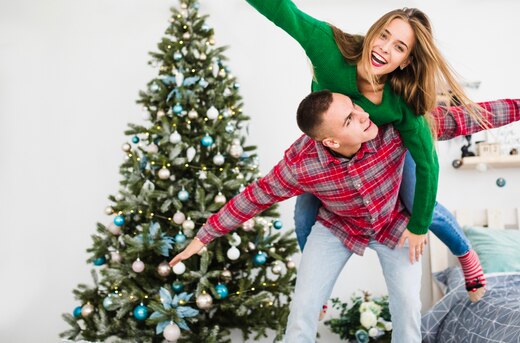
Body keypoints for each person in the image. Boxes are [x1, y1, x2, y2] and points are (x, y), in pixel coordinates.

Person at [245, 0, 520, 301]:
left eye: (399, 46)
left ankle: (467, 255)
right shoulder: (329, 50)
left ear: (405, 61)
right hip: (336, 155)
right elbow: (282, 10)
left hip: (389, 158)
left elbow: (471, 123)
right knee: (305, 207)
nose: (385, 48)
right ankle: (314, 293)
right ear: (373, 31)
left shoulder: (405, 106)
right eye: (384, 35)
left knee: (420, 201)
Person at [170, 91, 432, 342]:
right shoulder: (300, 164)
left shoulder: (389, 129)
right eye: (349, 119)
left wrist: (474, 112)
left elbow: (448, 120)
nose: (363, 115)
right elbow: (254, 197)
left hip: (394, 224)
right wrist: (204, 236)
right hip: (337, 227)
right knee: (304, 307)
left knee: (407, 305)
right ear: (330, 141)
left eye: (354, 107)